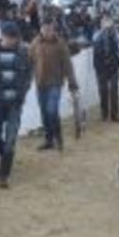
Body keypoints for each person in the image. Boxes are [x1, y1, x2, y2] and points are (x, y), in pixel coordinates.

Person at [0, 21, 32, 187]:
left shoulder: (23, 52)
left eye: (15, 38)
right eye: (9, 38)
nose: (12, 41)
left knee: (10, 140)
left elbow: (29, 73)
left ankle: (4, 175)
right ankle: (6, 157)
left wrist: (24, 89)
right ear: (2, 36)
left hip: (15, 103)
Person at [28, 17, 78, 151]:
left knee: (52, 110)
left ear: (54, 29)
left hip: (55, 83)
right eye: (45, 29)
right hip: (40, 84)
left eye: (51, 29)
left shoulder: (60, 44)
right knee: (44, 113)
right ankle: (49, 140)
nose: (48, 31)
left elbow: (68, 65)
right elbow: (29, 61)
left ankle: (58, 137)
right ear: (41, 29)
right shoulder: (35, 43)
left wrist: (72, 83)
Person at [92, 13, 119, 122]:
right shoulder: (97, 34)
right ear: (100, 23)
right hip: (101, 66)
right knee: (103, 90)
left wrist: (112, 30)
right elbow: (94, 40)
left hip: (113, 65)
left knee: (114, 90)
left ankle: (115, 114)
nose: (106, 23)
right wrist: (103, 30)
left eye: (108, 21)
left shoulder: (115, 33)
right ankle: (104, 113)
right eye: (104, 21)